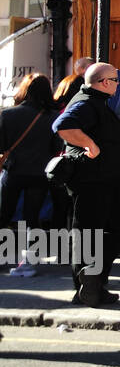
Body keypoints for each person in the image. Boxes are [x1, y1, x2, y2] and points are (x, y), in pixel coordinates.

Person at [51, 62, 120, 306]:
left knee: (109, 233)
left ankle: (93, 284)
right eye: (115, 80)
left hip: (102, 181)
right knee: (88, 235)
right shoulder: (86, 102)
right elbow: (62, 126)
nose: (118, 84)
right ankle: (88, 287)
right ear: (104, 83)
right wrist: (90, 146)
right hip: (91, 181)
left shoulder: (95, 101)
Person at [0, 74, 61, 274]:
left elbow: (2, 145)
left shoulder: (8, 115)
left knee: (4, 214)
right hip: (40, 173)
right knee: (32, 217)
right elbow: (56, 147)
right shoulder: (53, 118)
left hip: (15, 171)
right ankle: (29, 262)